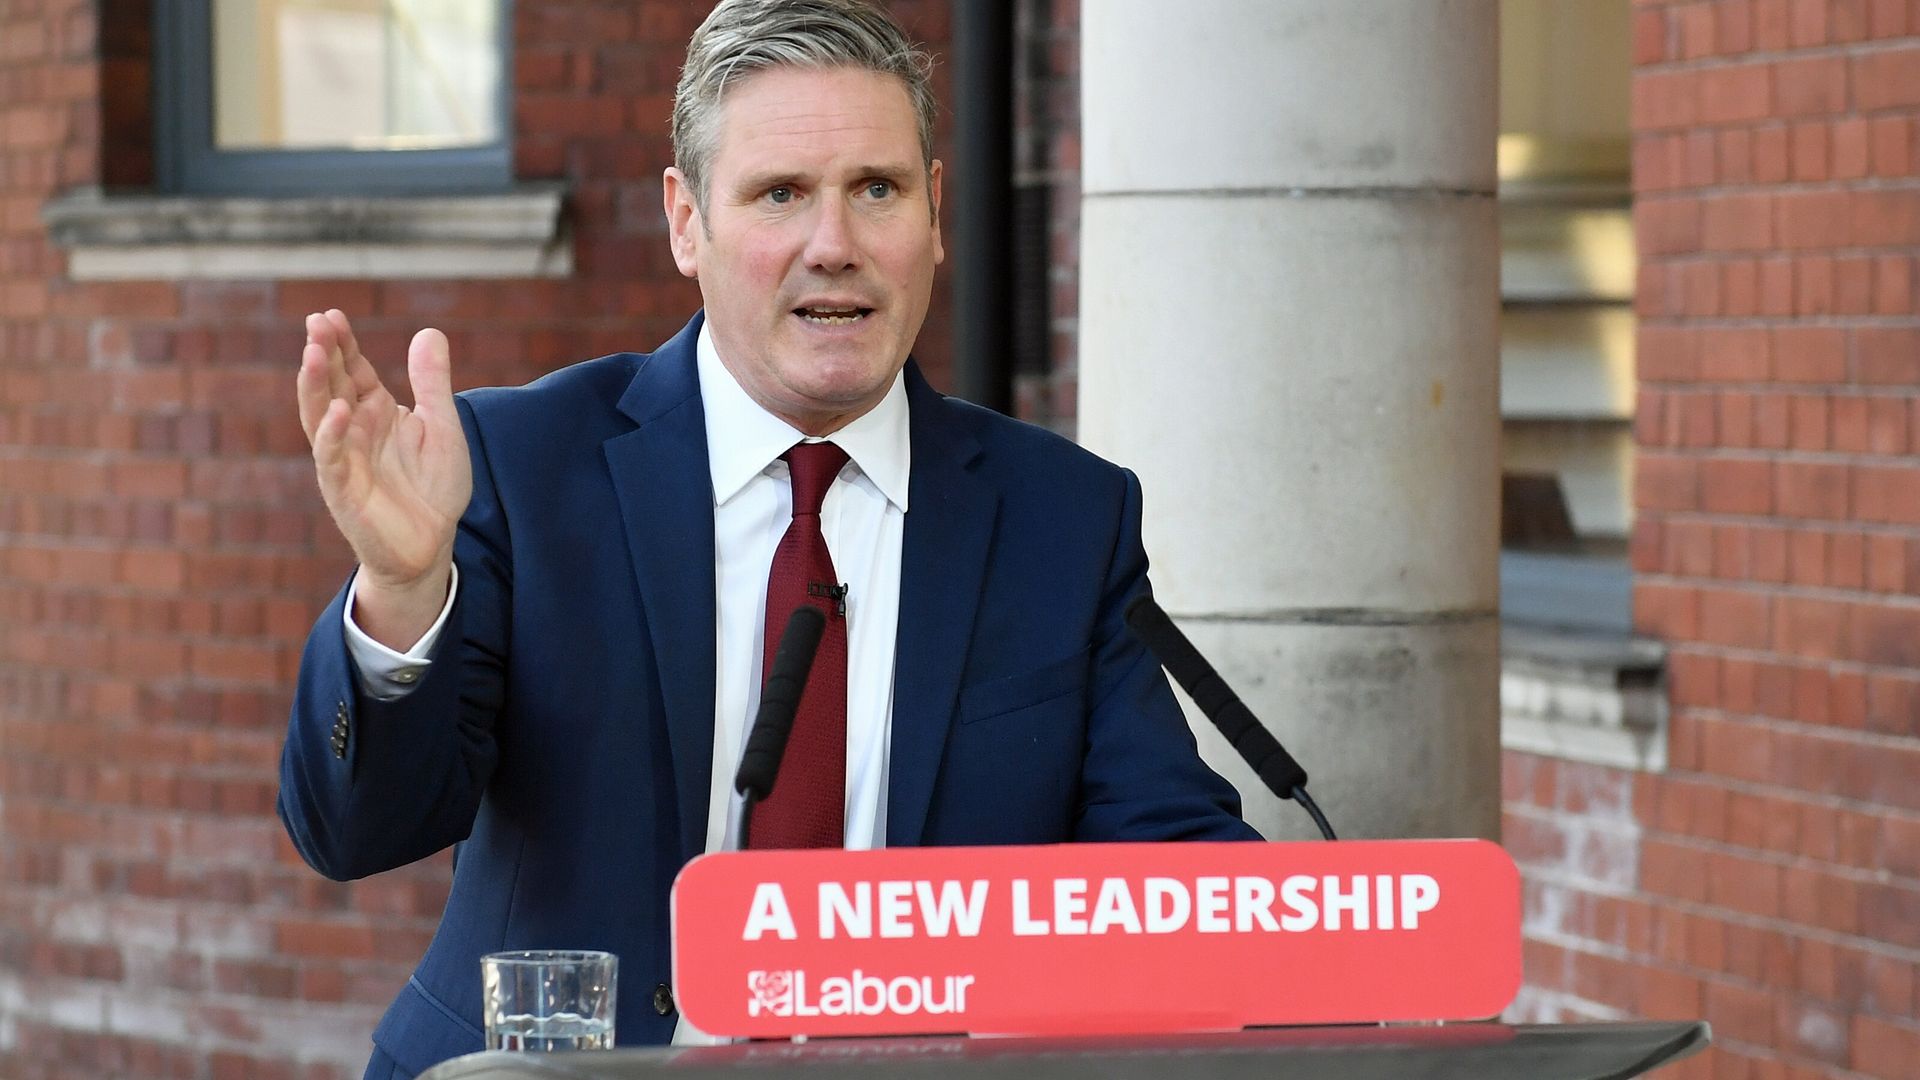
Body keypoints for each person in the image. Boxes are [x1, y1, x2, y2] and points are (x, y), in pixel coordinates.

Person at [279, 1, 1255, 1075]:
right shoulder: (524, 466)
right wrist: (403, 592)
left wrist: (1343, 939)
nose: (832, 247)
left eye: (875, 190)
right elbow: (357, 833)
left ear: (935, 212)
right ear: (686, 221)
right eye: (780, 194)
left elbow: (1174, 883)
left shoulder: (1062, 516)